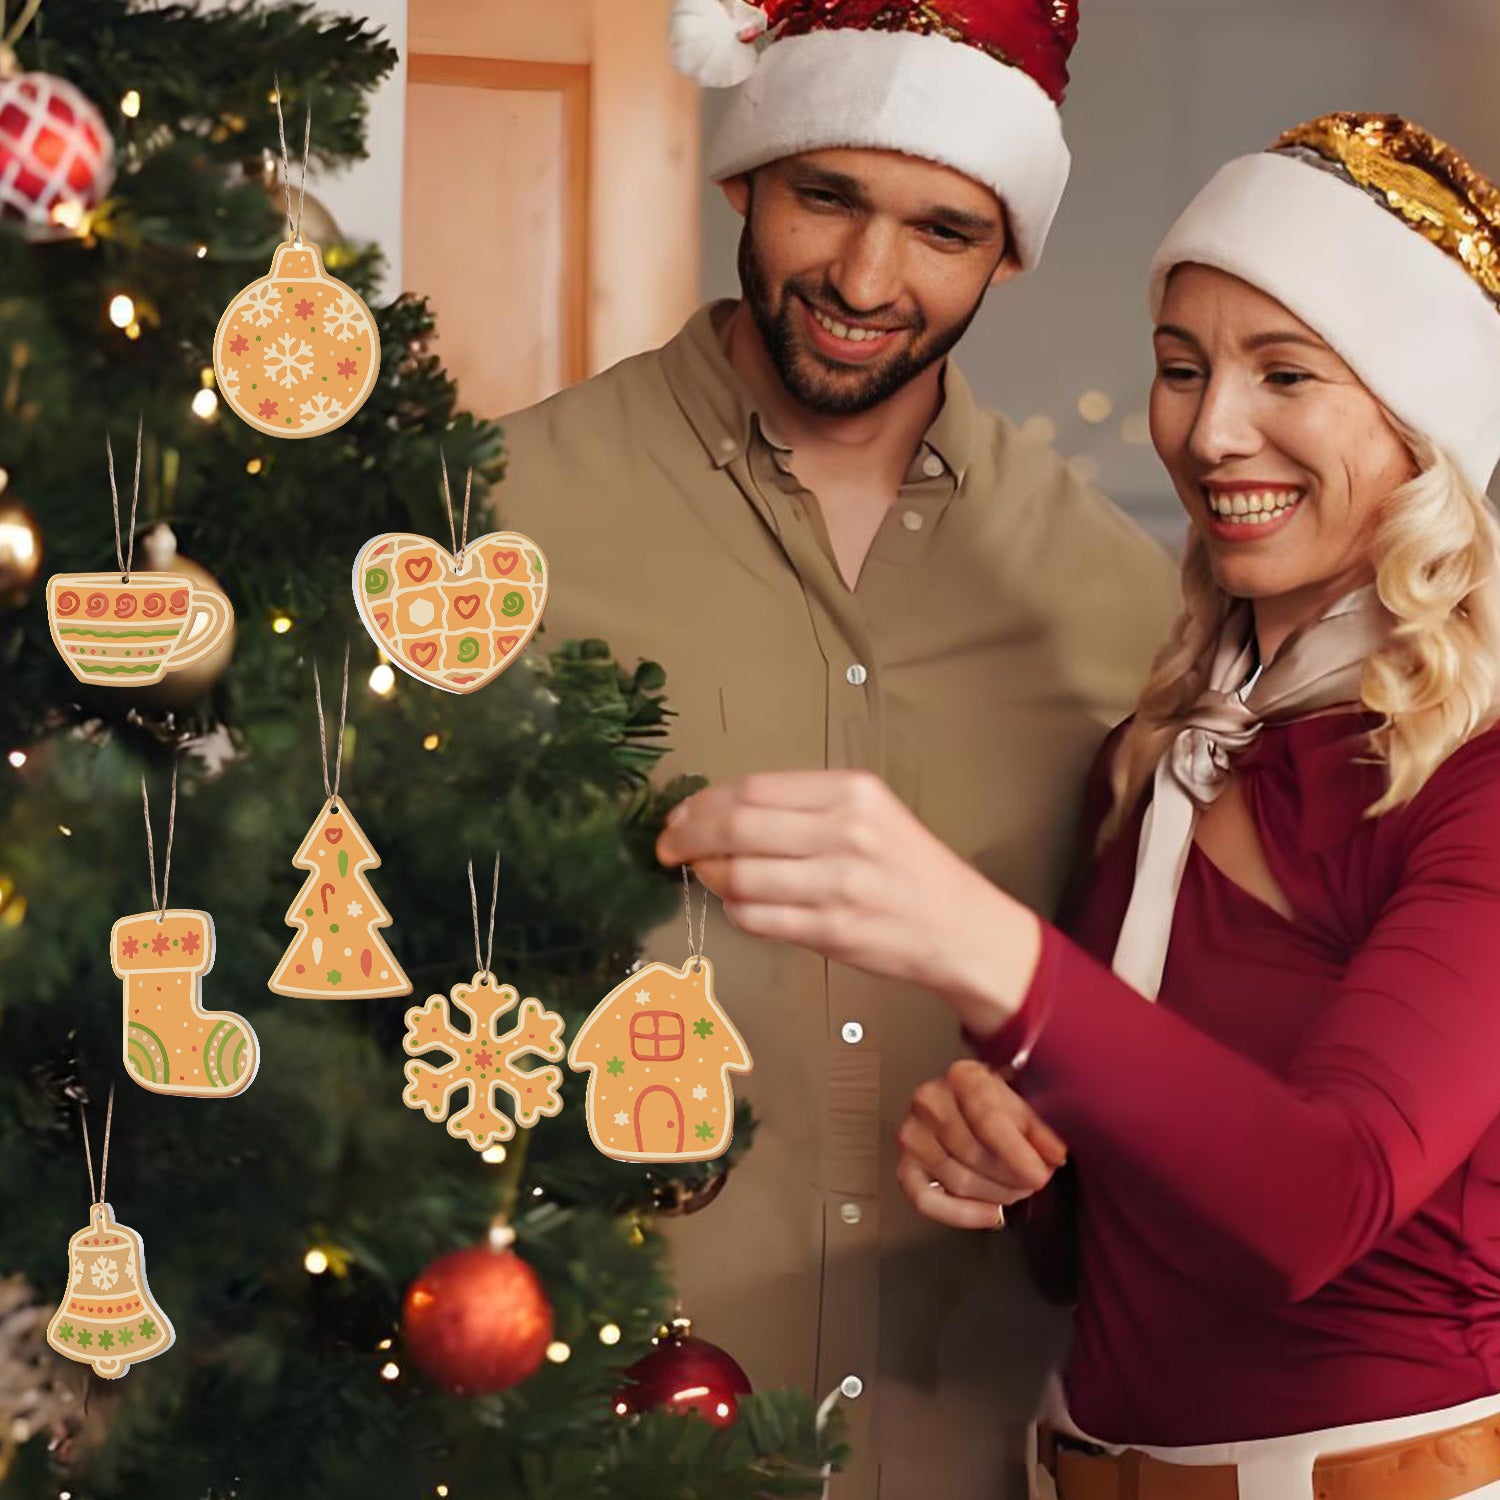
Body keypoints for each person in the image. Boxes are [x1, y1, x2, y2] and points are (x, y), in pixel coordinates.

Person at [656, 110, 1500, 1500]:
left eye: (1285, 373)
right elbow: (1129, 1230)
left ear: (1421, 425)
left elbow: (1316, 1204)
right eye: (1181, 368)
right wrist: (1019, 1164)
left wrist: (979, 945)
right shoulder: (1163, 755)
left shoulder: (1471, 778)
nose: (1209, 428)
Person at [495, 1, 1177, 1493]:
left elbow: (1168, 1029)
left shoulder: (1123, 607)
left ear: (1006, 249)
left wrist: (1057, 1139)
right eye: (827, 197)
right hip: (578, 1425)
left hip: (976, 1435)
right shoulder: (496, 521)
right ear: (744, 177)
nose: (869, 279)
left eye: (942, 229)